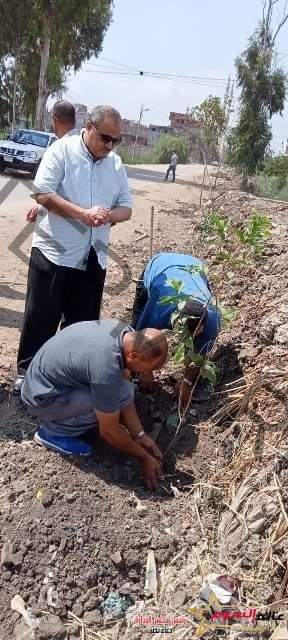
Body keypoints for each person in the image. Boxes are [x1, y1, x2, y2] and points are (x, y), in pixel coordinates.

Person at [14, 105, 132, 393]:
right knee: (42, 316)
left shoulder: (115, 165)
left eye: (116, 140)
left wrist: (106, 215)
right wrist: (82, 214)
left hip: (93, 254)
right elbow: (42, 193)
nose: (110, 145)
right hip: (55, 250)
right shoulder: (62, 152)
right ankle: (28, 374)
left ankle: (66, 375)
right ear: (89, 127)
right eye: (106, 138)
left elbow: (126, 209)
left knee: (82, 323)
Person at [21, 320, 168, 490]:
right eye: (145, 369)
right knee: (101, 404)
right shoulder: (105, 368)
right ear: (133, 356)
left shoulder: (123, 330)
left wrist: (140, 435)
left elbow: (122, 388)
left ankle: (64, 423)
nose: (143, 374)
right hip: (42, 397)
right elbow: (108, 431)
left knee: (124, 381)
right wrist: (143, 458)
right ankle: (54, 434)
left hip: (52, 376)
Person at [131, 252, 222, 402]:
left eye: (198, 332)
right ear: (177, 322)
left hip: (192, 265)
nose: (193, 337)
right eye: (188, 333)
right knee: (133, 331)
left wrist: (186, 382)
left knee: (198, 346)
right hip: (159, 267)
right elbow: (140, 335)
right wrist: (146, 372)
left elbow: (200, 352)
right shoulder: (159, 308)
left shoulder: (212, 317)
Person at [26, 100, 78, 223]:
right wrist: (42, 207)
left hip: (62, 230)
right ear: (73, 120)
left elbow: (42, 194)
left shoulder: (58, 148)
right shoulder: (86, 147)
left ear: (54, 119)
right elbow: (69, 191)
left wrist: (42, 203)